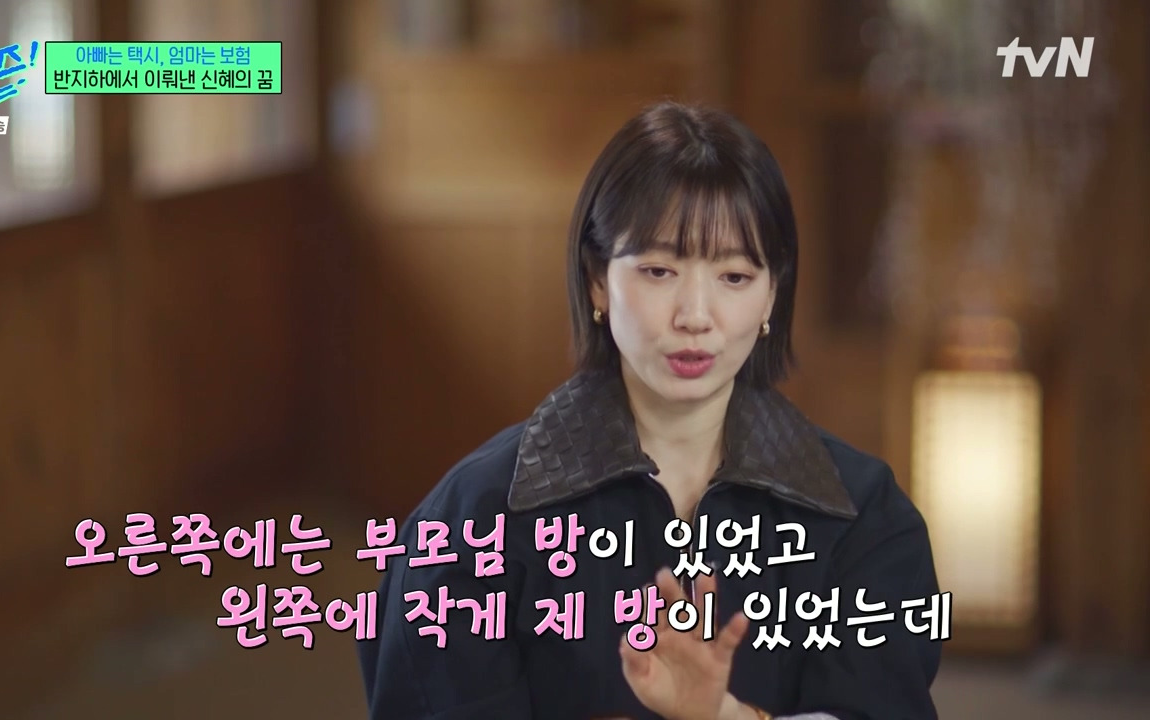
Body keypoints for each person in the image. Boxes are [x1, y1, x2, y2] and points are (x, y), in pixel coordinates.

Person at [357, 100, 943, 720]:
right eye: (659, 270)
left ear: (773, 291)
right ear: (597, 281)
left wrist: (722, 717)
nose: (695, 316)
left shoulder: (863, 516)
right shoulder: (471, 522)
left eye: (734, 277)